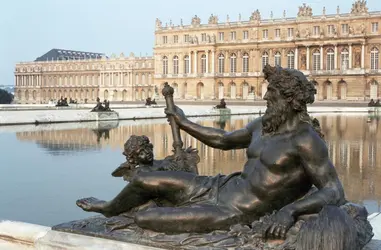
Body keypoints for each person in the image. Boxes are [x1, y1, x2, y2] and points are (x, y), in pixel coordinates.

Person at [77, 65, 345, 238]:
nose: (265, 97)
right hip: (217, 186)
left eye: (271, 93)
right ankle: (110, 208)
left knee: (145, 217)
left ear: (289, 99)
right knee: (142, 180)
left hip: (236, 210)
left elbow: (333, 190)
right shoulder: (263, 125)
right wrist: (183, 122)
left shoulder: (306, 140)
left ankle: (147, 210)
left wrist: (291, 211)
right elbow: (222, 139)